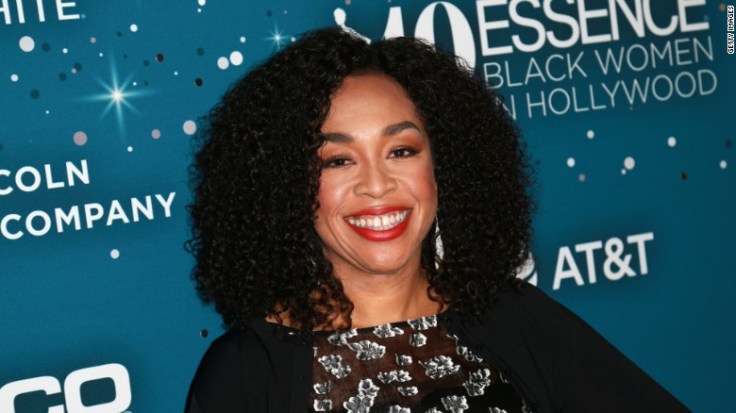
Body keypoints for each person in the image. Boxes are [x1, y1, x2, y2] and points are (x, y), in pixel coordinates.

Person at [185, 28, 687, 412]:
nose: (377, 185)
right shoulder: (248, 374)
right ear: (285, 186)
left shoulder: (515, 320)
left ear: (443, 164)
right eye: (338, 160)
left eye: (401, 150)